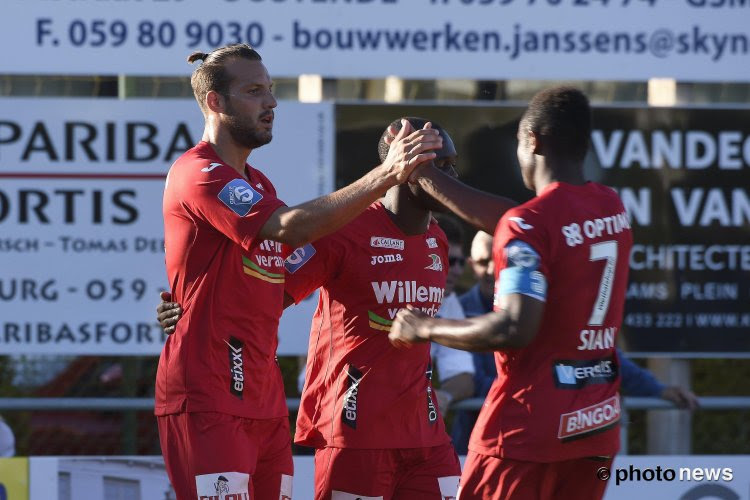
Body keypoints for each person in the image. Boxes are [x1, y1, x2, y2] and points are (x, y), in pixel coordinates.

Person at [157, 43, 442, 500]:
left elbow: (278, 273)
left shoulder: (258, 183)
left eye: (271, 91)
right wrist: (386, 175)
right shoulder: (198, 172)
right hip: (208, 391)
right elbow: (289, 229)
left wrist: (181, 304)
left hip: (264, 399)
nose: (271, 103)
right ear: (215, 101)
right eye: (254, 91)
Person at [388, 87, 633, 500]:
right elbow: (519, 220)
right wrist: (426, 176)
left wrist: (424, 327)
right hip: (596, 426)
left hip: (525, 430)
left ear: (533, 140)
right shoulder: (611, 207)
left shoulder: (530, 225)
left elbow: (514, 327)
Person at [431, 214, 476, 415]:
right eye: (450, 260)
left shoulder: (449, 302)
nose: (457, 270)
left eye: (461, 262)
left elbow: (464, 377)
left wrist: (444, 397)